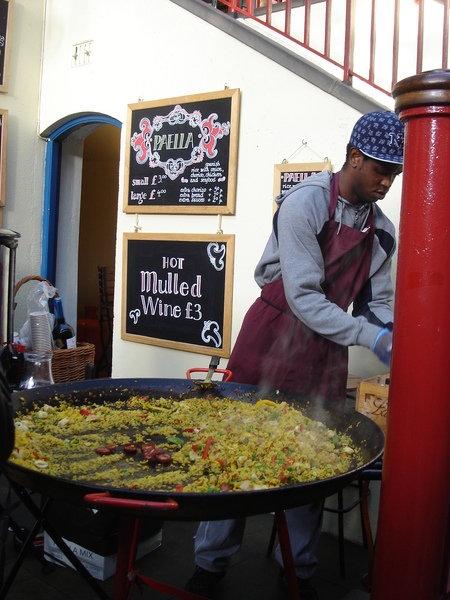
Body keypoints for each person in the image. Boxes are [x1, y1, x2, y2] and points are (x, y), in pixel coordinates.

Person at [185, 110, 404, 600]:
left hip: (322, 353)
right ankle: (210, 564)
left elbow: (380, 301)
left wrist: (389, 330)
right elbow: (304, 297)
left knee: (313, 459)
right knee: (233, 450)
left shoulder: (383, 232)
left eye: (395, 173)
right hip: (271, 335)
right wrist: (370, 339)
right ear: (353, 157)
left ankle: (298, 571)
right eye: (380, 170)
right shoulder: (304, 203)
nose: (388, 181)